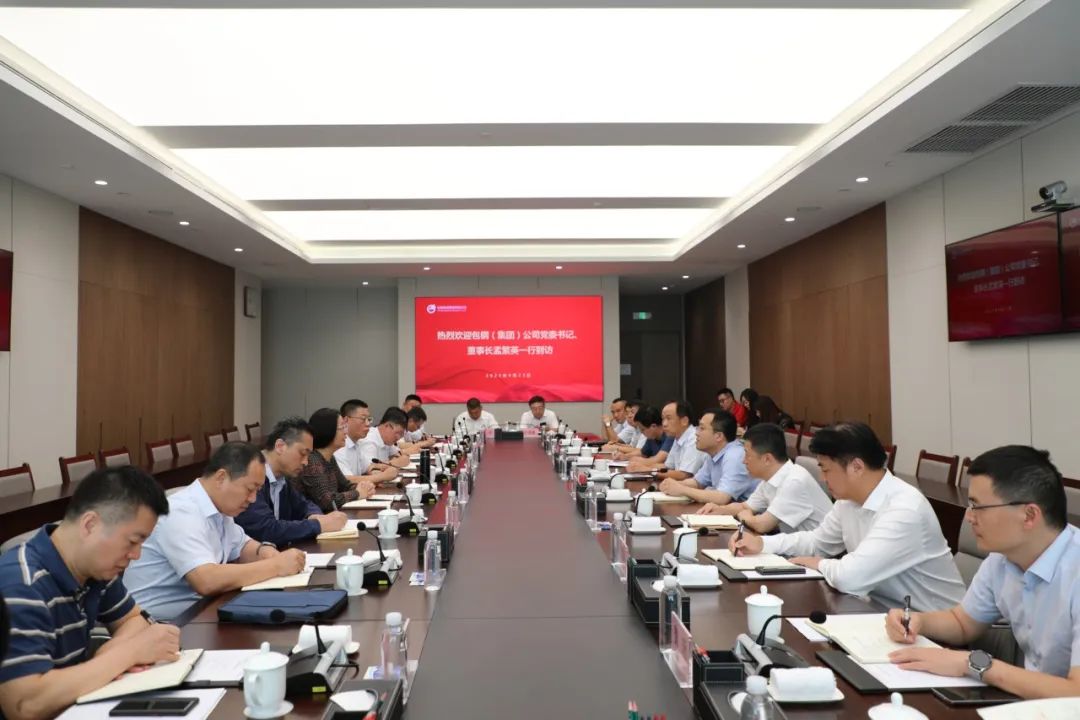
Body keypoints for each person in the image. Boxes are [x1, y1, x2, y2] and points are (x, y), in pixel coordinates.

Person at [885, 446, 1080, 698]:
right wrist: (919, 621)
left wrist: (974, 664)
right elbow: (962, 622)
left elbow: (1076, 692)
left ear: (1029, 515)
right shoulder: (1002, 559)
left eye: (978, 507)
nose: (969, 517)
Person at [0, 467, 180, 720]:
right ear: (90, 525)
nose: (136, 555)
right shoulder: (21, 585)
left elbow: (133, 619)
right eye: (132, 541)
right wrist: (126, 655)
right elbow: (25, 705)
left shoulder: (95, 568)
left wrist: (107, 659)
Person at [729, 422, 965, 611]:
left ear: (857, 467)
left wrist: (819, 563)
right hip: (880, 612)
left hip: (931, 628)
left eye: (826, 469)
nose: (822, 478)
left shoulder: (905, 509)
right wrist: (762, 544)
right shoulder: (848, 500)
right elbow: (817, 542)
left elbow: (851, 576)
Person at [124, 442, 307, 621]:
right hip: (156, 624)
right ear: (221, 478)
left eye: (257, 491)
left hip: (199, 613)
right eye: (250, 489)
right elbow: (206, 580)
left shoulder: (220, 508)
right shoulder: (181, 512)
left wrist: (264, 551)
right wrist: (276, 566)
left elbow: (242, 546)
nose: (253, 499)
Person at [699, 423, 832, 533]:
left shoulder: (794, 481)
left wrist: (745, 516)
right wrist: (720, 510)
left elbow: (762, 525)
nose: (744, 461)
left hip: (818, 553)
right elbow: (745, 506)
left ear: (767, 459)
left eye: (747, 455)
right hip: (795, 545)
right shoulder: (770, 478)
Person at [235, 417, 348, 546]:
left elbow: (303, 505)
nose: (306, 462)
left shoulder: (282, 477)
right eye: (303, 453)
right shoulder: (251, 479)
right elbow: (267, 530)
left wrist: (315, 516)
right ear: (280, 446)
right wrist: (318, 525)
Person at [659, 408, 756, 504]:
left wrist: (682, 489)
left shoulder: (734, 456)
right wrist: (673, 485)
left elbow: (722, 498)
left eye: (702, 428)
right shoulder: (713, 453)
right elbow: (698, 482)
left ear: (718, 436)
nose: (696, 433)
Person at [292, 408, 375, 513]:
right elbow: (327, 502)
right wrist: (358, 493)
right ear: (328, 431)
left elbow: (345, 485)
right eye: (342, 428)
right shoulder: (311, 460)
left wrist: (365, 487)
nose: (346, 432)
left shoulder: (329, 457)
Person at [334, 399, 399, 486]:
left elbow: (368, 467)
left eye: (369, 419)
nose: (368, 423)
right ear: (346, 420)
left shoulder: (356, 443)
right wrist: (382, 476)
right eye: (363, 419)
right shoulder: (339, 446)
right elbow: (346, 479)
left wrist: (379, 470)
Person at [653, 401, 708, 482]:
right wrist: (643, 469)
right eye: (663, 419)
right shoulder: (678, 437)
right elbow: (668, 466)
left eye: (668, 418)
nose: (664, 424)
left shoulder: (694, 438)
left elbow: (684, 475)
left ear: (684, 421)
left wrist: (650, 471)